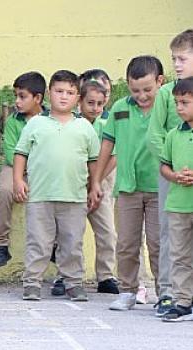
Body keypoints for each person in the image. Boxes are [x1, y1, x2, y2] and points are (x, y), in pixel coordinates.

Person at [16, 70, 100, 302]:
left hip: (74, 196)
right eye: (59, 91)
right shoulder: (36, 123)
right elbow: (21, 153)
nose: (64, 96)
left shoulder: (85, 127)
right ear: (48, 94)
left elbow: (93, 160)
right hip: (40, 195)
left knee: (72, 243)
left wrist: (94, 186)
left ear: (78, 98)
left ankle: (73, 283)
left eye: (70, 93)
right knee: (38, 241)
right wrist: (18, 180)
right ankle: (32, 282)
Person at [91, 56, 165, 312]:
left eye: (147, 90)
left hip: (159, 186)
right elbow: (107, 144)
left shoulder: (168, 108)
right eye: (135, 90)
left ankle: (165, 292)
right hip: (127, 187)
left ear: (160, 81)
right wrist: (97, 180)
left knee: (158, 244)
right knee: (126, 244)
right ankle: (128, 291)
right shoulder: (121, 108)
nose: (141, 96)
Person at [149, 29, 193, 315]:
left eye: (182, 58)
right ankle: (169, 292)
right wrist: (173, 167)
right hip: (173, 174)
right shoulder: (166, 93)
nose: (176, 64)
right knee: (171, 234)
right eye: (173, 59)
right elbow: (155, 134)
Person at [0, 72, 45, 268]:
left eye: (22, 97)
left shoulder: (50, 119)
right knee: (5, 190)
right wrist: (20, 176)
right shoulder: (14, 120)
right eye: (16, 96)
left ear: (37, 98)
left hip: (44, 168)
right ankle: (0, 245)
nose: (17, 102)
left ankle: (55, 245)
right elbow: (10, 151)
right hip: (15, 166)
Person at [77, 77, 120, 294]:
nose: (95, 108)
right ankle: (67, 276)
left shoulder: (107, 124)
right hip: (74, 184)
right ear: (80, 101)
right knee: (70, 233)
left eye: (100, 104)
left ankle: (106, 276)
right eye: (90, 103)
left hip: (101, 183)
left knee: (107, 232)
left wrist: (95, 183)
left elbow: (113, 156)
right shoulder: (72, 124)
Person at [158, 77, 193, 321]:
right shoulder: (173, 134)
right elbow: (164, 166)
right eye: (177, 102)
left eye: (185, 103)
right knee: (179, 255)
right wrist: (174, 176)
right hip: (178, 206)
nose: (179, 108)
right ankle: (182, 301)